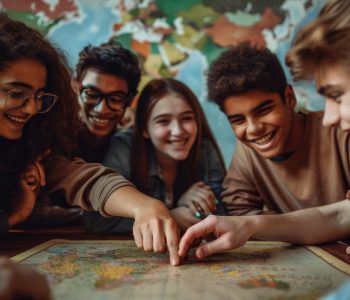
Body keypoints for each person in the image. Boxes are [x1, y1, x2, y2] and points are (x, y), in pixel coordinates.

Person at [0, 13, 180, 265]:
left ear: (128, 102)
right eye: (17, 93)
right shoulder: (48, 132)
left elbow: (80, 177)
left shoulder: (30, 144)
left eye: (116, 99)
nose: (30, 109)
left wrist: (146, 206)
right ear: (76, 88)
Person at [178, 0, 350, 259]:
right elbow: (239, 213)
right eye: (237, 120)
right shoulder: (247, 153)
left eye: (263, 110)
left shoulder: (341, 133)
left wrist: (263, 222)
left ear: (289, 98)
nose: (253, 129)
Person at [84, 78, 226, 233]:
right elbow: (96, 221)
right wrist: (171, 215)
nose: (178, 131)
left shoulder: (204, 149)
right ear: (144, 128)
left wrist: (188, 209)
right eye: (164, 121)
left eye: (186, 118)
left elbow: (223, 212)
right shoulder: (124, 147)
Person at [75, 41, 141, 163]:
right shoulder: (53, 135)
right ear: (76, 88)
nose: (101, 109)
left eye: (116, 99)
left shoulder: (132, 143)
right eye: (92, 94)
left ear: (130, 100)